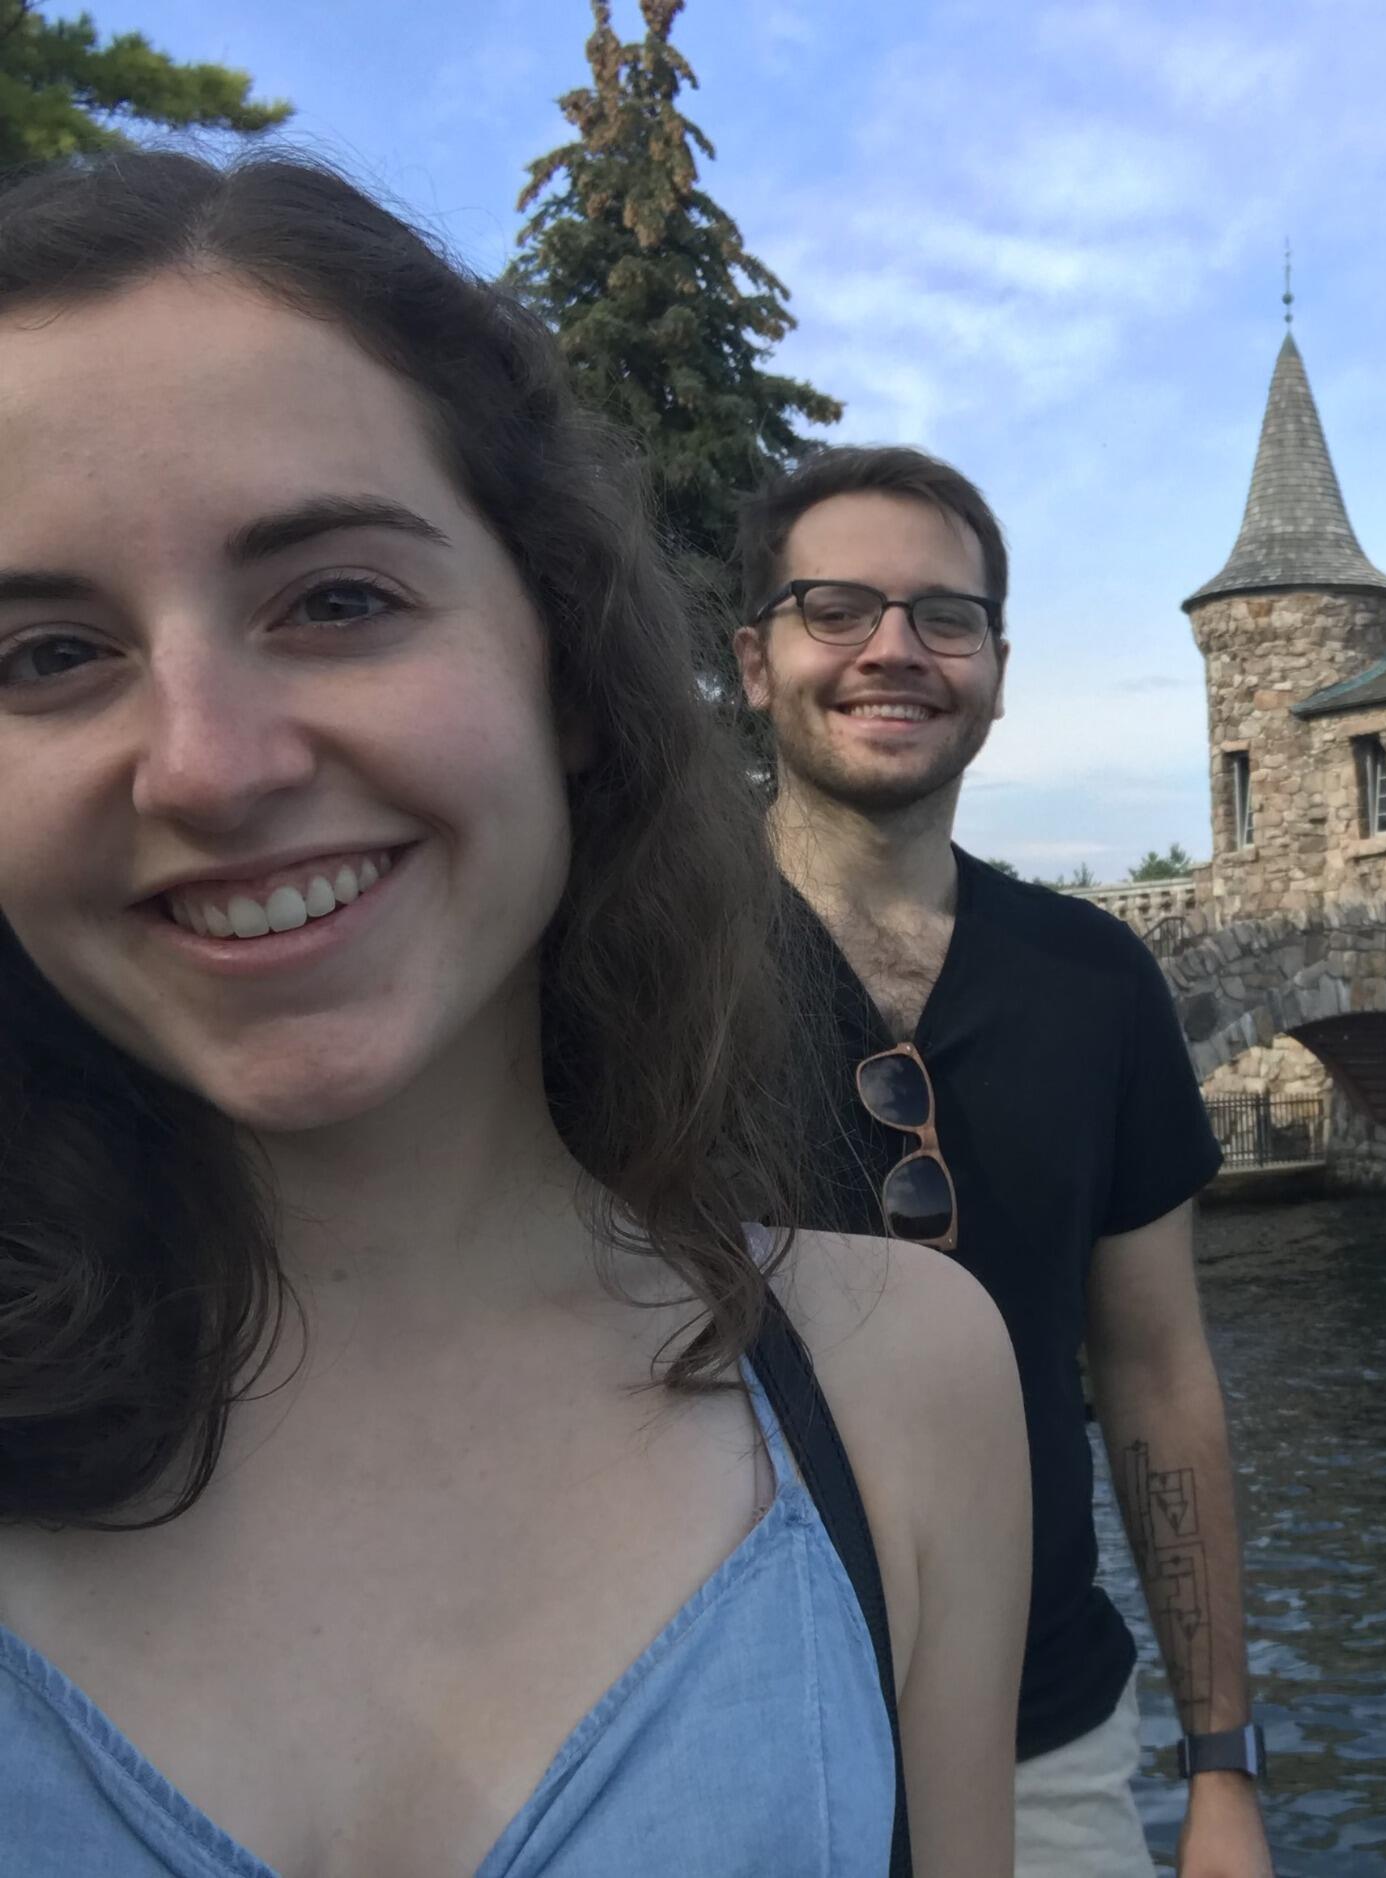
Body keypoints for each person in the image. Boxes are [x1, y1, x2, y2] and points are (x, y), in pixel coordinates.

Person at [0, 152, 1029, 1876]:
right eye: (44, 654)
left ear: (560, 663)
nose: (206, 764)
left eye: (336, 600)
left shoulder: (900, 1381)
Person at [734, 447, 1274, 1878]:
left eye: (943, 617)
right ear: (754, 659)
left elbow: (1158, 1378)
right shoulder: (626, 967)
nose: (894, 650)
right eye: (837, 607)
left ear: (995, 668)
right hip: (717, 1733)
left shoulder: (1094, 981)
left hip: (1045, 1744)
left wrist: (1221, 1770)